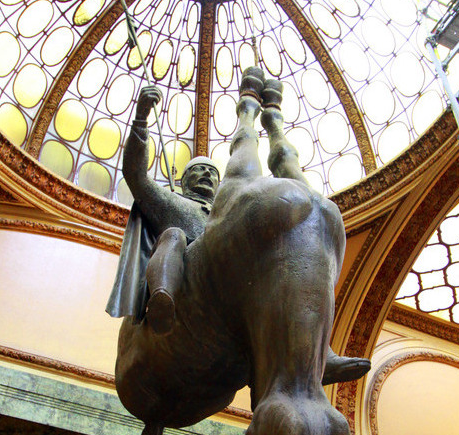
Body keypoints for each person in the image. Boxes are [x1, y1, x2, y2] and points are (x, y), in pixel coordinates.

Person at [106, 72, 370, 385]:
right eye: (197, 171)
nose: (205, 175)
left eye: (210, 172)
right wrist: (140, 119)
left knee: (296, 263)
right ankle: (163, 298)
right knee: (174, 235)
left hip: (229, 281)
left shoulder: (227, 209)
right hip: (187, 274)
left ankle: (317, 351)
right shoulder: (170, 203)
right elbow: (135, 175)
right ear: (183, 181)